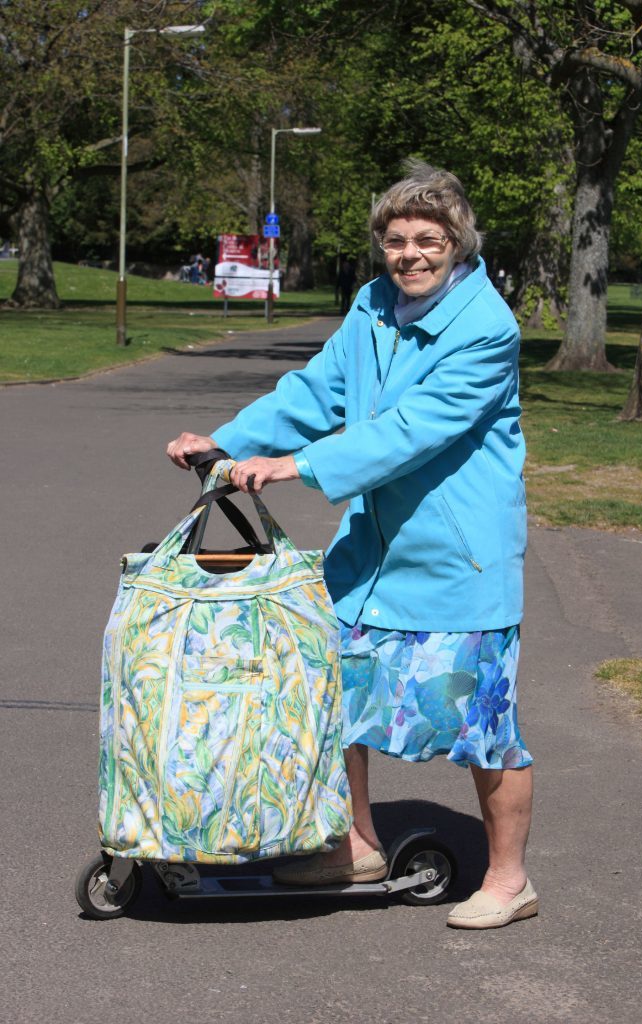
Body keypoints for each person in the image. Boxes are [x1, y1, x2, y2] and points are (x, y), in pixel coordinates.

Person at [167, 161, 536, 930]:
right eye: (396, 241)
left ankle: (508, 880)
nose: (410, 255)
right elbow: (316, 391)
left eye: (428, 240)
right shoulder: (373, 306)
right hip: (371, 550)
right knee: (329, 694)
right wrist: (225, 446)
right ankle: (354, 842)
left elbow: (413, 430)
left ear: (458, 242)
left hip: (457, 561)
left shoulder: (485, 328)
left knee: (483, 728)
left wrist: (295, 466)